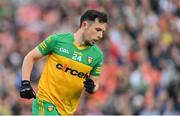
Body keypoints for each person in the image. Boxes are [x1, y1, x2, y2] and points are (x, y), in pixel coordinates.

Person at [19, 9, 108, 115]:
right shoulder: (57, 41)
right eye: (97, 29)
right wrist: (25, 83)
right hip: (46, 102)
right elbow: (30, 57)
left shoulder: (97, 55)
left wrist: (92, 87)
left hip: (68, 111)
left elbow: (95, 83)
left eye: (102, 31)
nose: (100, 35)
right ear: (85, 25)